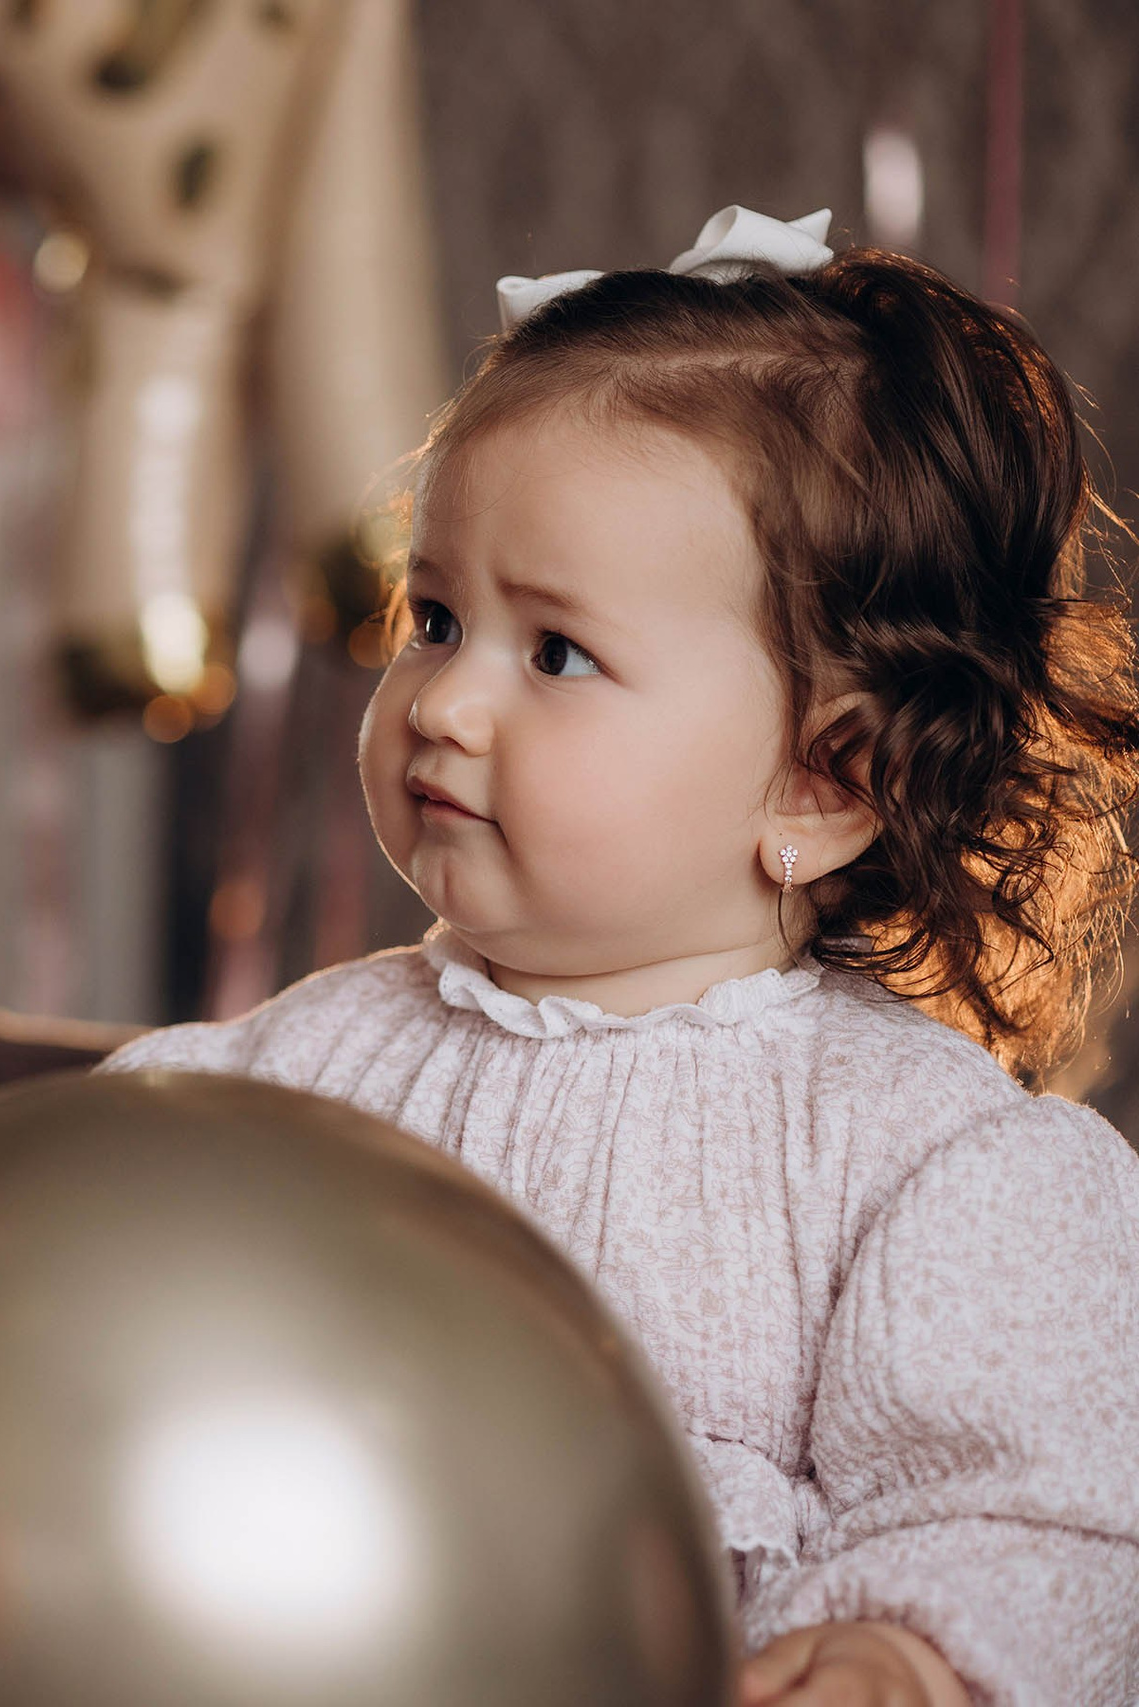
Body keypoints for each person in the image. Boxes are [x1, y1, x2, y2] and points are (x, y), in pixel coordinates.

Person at [106, 209, 1139, 1705]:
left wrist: (903, 1656)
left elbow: (1041, 1520)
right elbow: (66, 1314)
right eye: (435, 617)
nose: (442, 703)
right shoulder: (276, 1086)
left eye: (555, 653)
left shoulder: (918, 1165)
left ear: (821, 784)